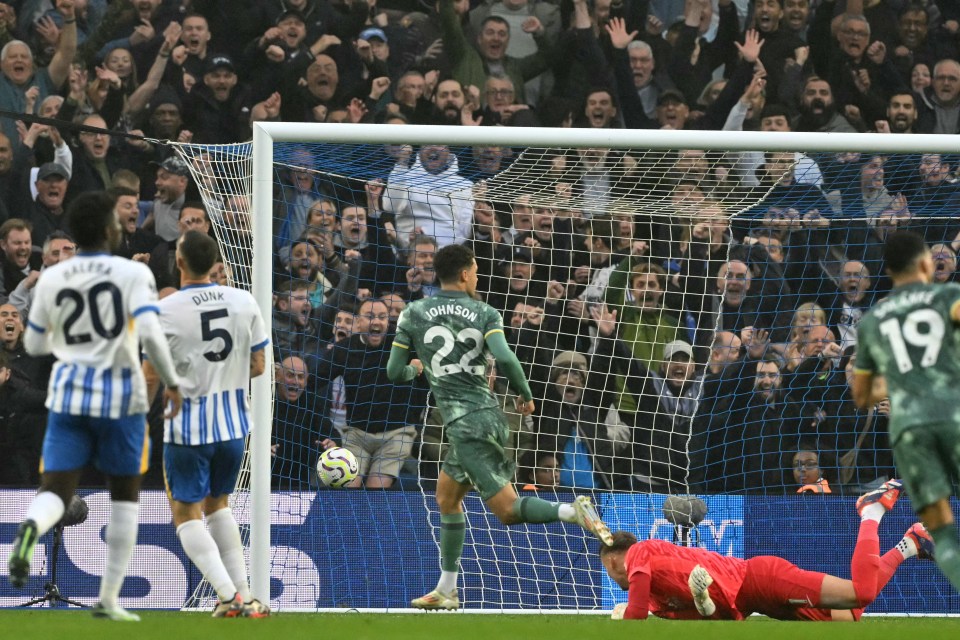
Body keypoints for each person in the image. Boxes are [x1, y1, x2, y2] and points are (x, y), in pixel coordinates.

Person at [387, 244, 613, 610]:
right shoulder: (485, 311)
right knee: (447, 498)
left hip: (466, 423)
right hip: (483, 418)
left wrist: (417, 368)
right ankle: (446, 589)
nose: (477, 276)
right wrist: (525, 395)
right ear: (464, 274)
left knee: (506, 511)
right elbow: (505, 358)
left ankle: (573, 512)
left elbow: (394, 373)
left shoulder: (412, 312)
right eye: (475, 270)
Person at [7, 191, 182, 621]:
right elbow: (153, 337)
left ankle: (30, 527)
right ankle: (109, 598)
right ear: (108, 229)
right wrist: (172, 382)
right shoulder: (131, 274)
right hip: (119, 393)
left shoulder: (52, 279)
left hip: (68, 394)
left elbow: (32, 343)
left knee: (56, 487)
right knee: (124, 495)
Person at [142, 230, 270, 618]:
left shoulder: (163, 312)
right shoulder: (243, 301)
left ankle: (228, 595)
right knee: (218, 506)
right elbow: (259, 366)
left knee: (186, 514)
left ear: (178, 262)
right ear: (216, 263)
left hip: (188, 429)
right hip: (233, 428)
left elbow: (150, 377)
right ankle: (245, 597)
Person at [602, 481, 932, 621]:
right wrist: (702, 602)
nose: (610, 573)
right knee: (850, 617)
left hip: (762, 580)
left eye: (607, 567)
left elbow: (634, 615)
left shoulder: (639, 552)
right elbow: (717, 619)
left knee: (861, 594)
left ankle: (870, 511)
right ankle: (911, 544)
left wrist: (627, 616)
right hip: (756, 602)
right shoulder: (658, 603)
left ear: (615, 558)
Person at [853, 230, 960, 596]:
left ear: (887, 270)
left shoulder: (874, 321)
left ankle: (909, 539)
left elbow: (861, 394)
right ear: (926, 265)